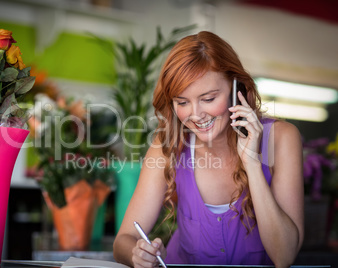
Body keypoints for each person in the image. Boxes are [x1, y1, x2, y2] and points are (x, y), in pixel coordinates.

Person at [113, 31, 304, 268]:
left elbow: (285, 256)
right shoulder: (167, 146)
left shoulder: (281, 139)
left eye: (208, 98)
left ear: (237, 90)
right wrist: (137, 254)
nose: (195, 115)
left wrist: (252, 163)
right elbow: (123, 240)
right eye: (182, 102)